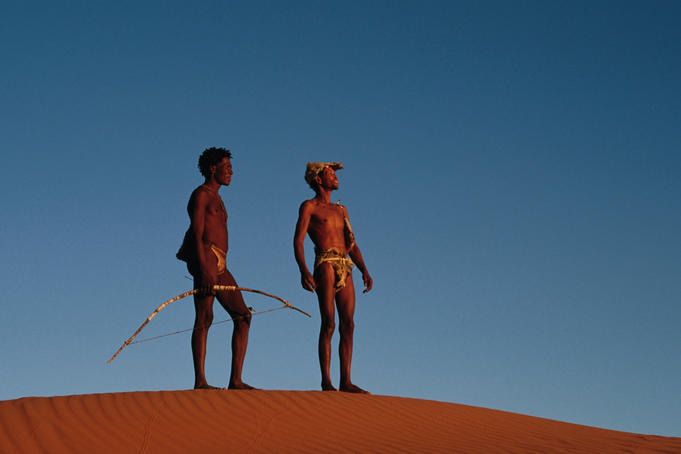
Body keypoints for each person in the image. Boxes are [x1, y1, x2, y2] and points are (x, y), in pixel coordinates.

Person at [177, 147, 254, 390]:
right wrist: (202, 267)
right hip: (206, 256)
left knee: (243, 316)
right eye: (227, 167)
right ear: (213, 168)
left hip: (221, 261)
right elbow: (198, 233)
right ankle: (200, 380)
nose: (231, 172)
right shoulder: (201, 195)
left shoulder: (218, 197)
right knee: (205, 317)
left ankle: (236, 380)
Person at [294, 162, 373, 393]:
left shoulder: (341, 210)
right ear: (318, 180)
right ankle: (326, 381)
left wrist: (364, 269)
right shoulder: (309, 206)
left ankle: (345, 381)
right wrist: (303, 270)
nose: (335, 178)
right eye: (330, 174)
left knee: (348, 324)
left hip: (345, 264)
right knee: (329, 323)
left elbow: (352, 243)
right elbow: (298, 240)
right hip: (325, 263)